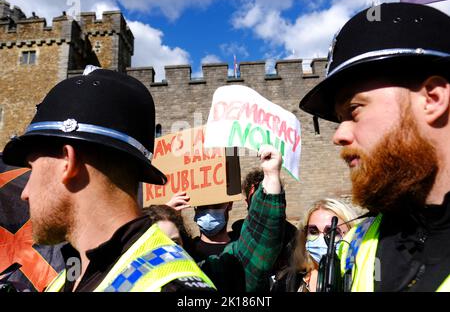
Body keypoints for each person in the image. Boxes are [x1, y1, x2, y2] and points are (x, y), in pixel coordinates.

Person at [1, 67, 215, 292]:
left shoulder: (173, 288)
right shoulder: (70, 275)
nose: (25, 193)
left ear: (68, 163)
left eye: (33, 170)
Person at [299, 3, 450, 291]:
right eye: (338, 119)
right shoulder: (356, 246)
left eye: (354, 110)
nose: (339, 135)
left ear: (432, 99)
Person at [166, 144, 288, 292]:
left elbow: (260, 239)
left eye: (216, 204)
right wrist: (165, 220)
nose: (209, 210)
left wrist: (271, 177)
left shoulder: (239, 255)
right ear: (194, 207)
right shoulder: (186, 252)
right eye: (203, 206)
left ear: (229, 204)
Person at [271, 198, 358, 292]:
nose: (321, 239)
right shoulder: (289, 281)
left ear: (351, 234)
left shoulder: (362, 280)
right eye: (313, 232)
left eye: (333, 233)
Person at [230, 168, 297, 289]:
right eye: (259, 199)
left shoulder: (295, 238)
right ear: (248, 201)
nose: (263, 206)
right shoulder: (237, 238)